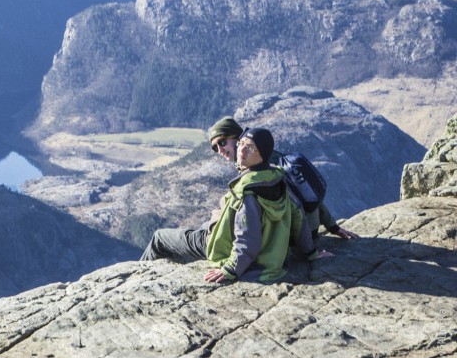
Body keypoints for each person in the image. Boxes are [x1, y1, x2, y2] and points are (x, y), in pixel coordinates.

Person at [141, 127, 324, 283]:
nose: (242, 151)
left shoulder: (247, 192)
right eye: (242, 144)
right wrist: (311, 253)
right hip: (267, 251)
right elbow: (299, 217)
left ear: (263, 155)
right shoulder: (277, 177)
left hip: (221, 245)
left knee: (159, 238)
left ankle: (139, 277)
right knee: (197, 228)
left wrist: (230, 270)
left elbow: (247, 239)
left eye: (250, 148)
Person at [206, 116, 359, 241]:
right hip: (304, 231)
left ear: (237, 137)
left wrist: (310, 251)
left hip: (294, 237)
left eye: (222, 142)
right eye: (215, 147)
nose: (220, 150)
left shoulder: (263, 164)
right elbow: (306, 190)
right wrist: (333, 227)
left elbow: (297, 202)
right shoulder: (264, 154)